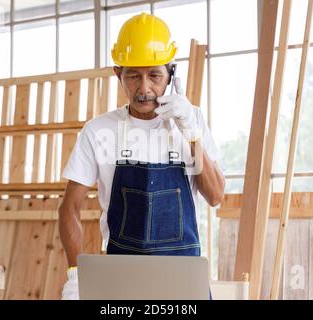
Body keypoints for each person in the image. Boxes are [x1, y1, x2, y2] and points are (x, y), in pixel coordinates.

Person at [59, 12, 225, 300]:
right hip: (120, 280)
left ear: (171, 74)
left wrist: (192, 133)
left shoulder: (192, 120)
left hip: (182, 280)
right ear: (118, 74)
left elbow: (215, 195)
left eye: (155, 75)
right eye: (134, 75)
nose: (145, 88)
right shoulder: (99, 130)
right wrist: (76, 273)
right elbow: (69, 208)